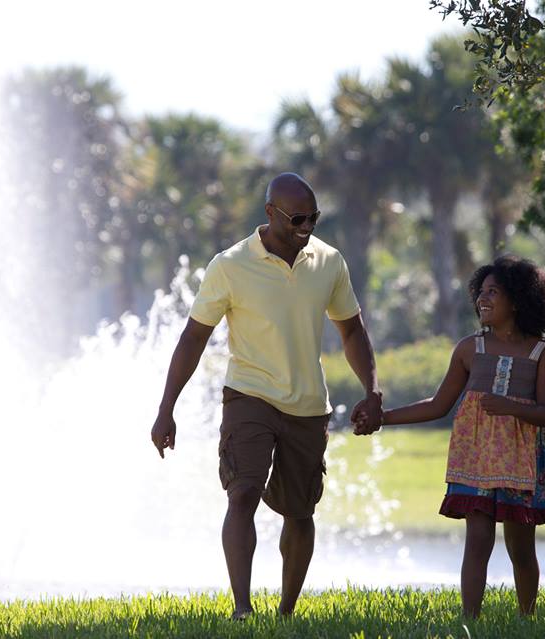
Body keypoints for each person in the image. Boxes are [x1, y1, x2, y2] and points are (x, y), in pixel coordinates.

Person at [151, 172, 383, 619]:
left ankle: (286, 613)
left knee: (300, 513)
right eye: (297, 218)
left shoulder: (329, 261)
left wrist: (372, 390)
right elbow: (193, 338)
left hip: (308, 405)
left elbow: (352, 329)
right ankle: (242, 607)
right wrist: (166, 409)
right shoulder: (231, 265)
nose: (306, 227)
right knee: (243, 493)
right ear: (270, 213)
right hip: (249, 395)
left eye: (313, 217)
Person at [358, 255, 545, 617]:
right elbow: (438, 405)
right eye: (481, 292)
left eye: (493, 293)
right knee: (478, 539)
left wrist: (509, 406)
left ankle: (527, 618)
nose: (483, 300)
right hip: (476, 458)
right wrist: (383, 419)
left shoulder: (541, 353)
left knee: (520, 545)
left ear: (517, 300)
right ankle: (470, 621)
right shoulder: (470, 349)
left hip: (523, 458)